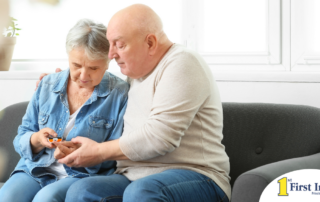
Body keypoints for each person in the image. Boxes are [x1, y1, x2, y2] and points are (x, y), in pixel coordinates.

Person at [39, 4, 231, 202]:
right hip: (134, 175)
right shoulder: (135, 75)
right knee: (82, 190)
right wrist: (63, 84)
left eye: (119, 45)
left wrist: (98, 152)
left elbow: (160, 138)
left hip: (197, 175)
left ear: (150, 43)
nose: (111, 54)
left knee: (141, 192)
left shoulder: (182, 63)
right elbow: (100, 88)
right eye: (110, 45)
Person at [0, 19, 129, 202]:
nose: (84, 76)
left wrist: (79, 154)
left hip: (81, 175)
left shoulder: (119, 94)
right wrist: (37, 139)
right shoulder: (48, 84)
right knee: (7, 196)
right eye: (76, 65)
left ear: (108, 62)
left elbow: (117, 154)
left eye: (93, 68)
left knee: (45, 199)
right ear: (68, 56)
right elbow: (21, 136)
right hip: (36, 169)